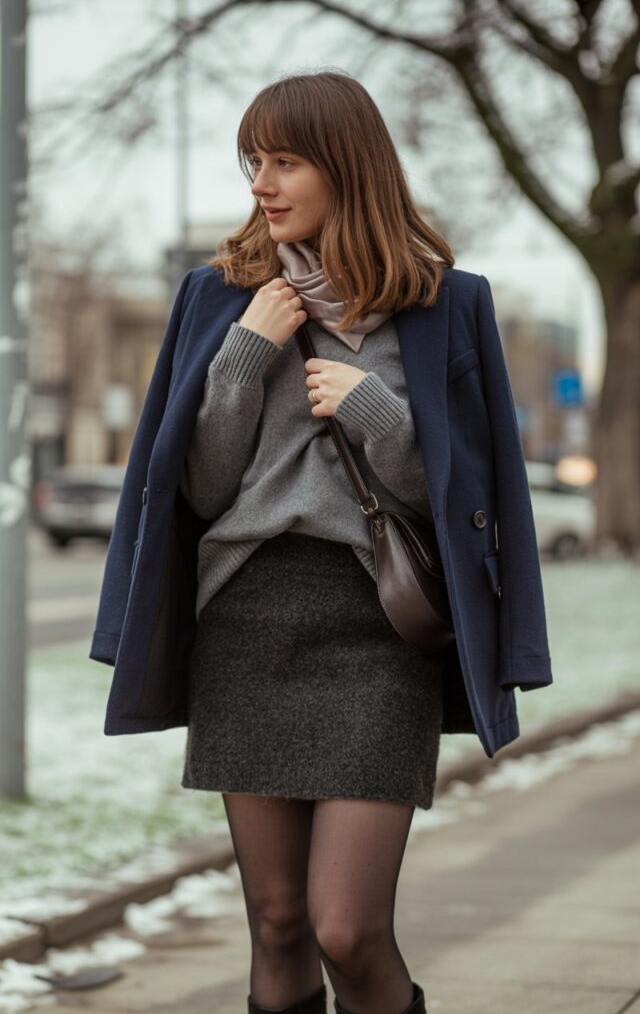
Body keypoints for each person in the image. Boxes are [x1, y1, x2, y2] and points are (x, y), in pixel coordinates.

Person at [90, 68, 553, 1014]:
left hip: (377, 633)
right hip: (248, 626)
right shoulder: (219, 298)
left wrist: (382, 415)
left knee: (348, 928)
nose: (261, 181)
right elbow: (203, 488)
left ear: (347, 166)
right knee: (279, 925)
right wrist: (248, 353)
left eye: (285, 160)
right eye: (253, 160)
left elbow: (470, 499)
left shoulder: (445, 305)